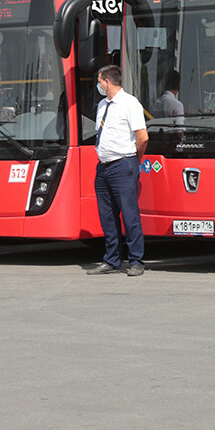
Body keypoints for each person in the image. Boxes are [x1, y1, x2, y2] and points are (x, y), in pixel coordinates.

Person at [89, 65, 149, 277]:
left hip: (123, 164)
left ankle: (136, 261)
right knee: (107, 216)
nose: (98, 86)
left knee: (129, 215)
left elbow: (142, 137)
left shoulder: (129, 103)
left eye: (99, 82)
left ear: (107, 82)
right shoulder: (102, 105)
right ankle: (112, 260)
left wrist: (136, 159)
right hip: (103, 166)